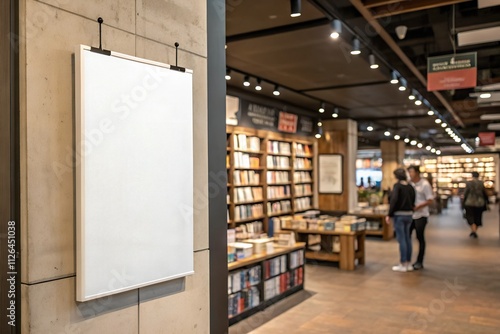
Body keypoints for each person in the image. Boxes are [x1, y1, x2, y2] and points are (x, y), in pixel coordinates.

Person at [385, 168, 416, 272]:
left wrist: (389, 214)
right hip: (409, 215)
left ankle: (403, 263)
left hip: (399, 215)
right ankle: (409, 263)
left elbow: (394, 200)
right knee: (407, 238)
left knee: (401, 239)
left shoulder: (397, 186)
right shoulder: (410, 187)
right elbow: (413, 200)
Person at [407, 165, 434, 270]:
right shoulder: (410, 184)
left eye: (412, 172)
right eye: (409, 172)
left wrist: (419, 206)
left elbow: (430, 199)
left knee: (420, 237)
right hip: (411, 215)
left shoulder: (425, 184)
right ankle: (407, 260)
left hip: (421, 215)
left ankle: (420, 261)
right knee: (407, 236)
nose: (410, 174)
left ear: (417, 173)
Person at [463, 171, 489, 238]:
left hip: (469, 202)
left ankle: (473, 231)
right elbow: (484, 193)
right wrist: (487, 201)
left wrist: (463, 201)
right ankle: (474, 231)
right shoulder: (481, 183)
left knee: (470, 216)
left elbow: (466, 193)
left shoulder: (469, 183)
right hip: (480, 202)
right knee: (478, 216)